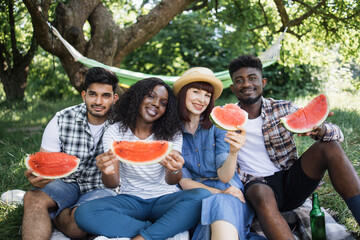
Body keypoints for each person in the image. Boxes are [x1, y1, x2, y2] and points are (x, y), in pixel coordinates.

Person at [228, 54, 360, 239]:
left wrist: (321, 130)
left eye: (252, 78)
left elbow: (338, 134)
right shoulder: (225, 120)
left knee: (330, 147)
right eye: (239, 80)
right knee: (259, 192)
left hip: (291, 181)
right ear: (233, 88)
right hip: (257, 185)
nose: (246, 84)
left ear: (263, 82)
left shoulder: (283, 108)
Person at [74, 77, 211, 240]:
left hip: (165, 199)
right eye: (150, 96)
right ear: (137, 97)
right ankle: (157, 230)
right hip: (130, 200)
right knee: (84, 213)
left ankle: (143, 237)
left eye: (163, 102)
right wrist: (107, 170)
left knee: (202, 197)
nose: (156, 104)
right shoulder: (114, 131)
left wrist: (175, 169)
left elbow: (172, 181)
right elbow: (113, 183)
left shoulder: (172, 133)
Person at [22, 67, 120, 240]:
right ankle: (54, 210)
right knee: (32, 198)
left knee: (77, 228)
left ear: (114, 98)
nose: (98, 101)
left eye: (105, 95)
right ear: (84, 95)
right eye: (92, 94)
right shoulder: (61, 119)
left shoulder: (122, 124)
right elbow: (45, 163)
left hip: (101, 187)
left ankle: (56, 215)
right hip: (66, 183)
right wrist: (40, 178)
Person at [173, 67, 265, 240]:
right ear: (184, 93)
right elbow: (184, 181)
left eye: (207, 95)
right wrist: (218, 194)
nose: (202, 99)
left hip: (229, 191)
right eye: (196, 92)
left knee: (221, 204)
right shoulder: (172, 131)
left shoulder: (218, 126)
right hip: (198, 194)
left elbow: (224, 177)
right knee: (216, 203)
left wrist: (233, 152)